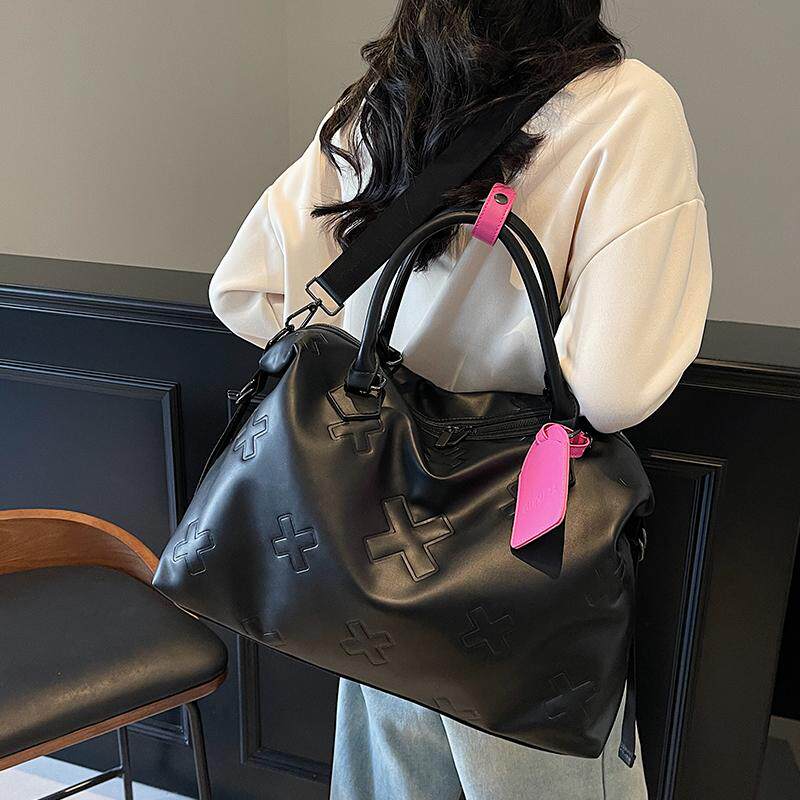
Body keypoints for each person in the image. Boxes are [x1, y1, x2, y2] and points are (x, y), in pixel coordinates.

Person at [208, 2, 712, 797]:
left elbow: (245, 290)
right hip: (516, 554)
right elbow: (613, 389)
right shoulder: (629, 105)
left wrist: (386, 374)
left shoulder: (387, 97)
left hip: (371, 538)